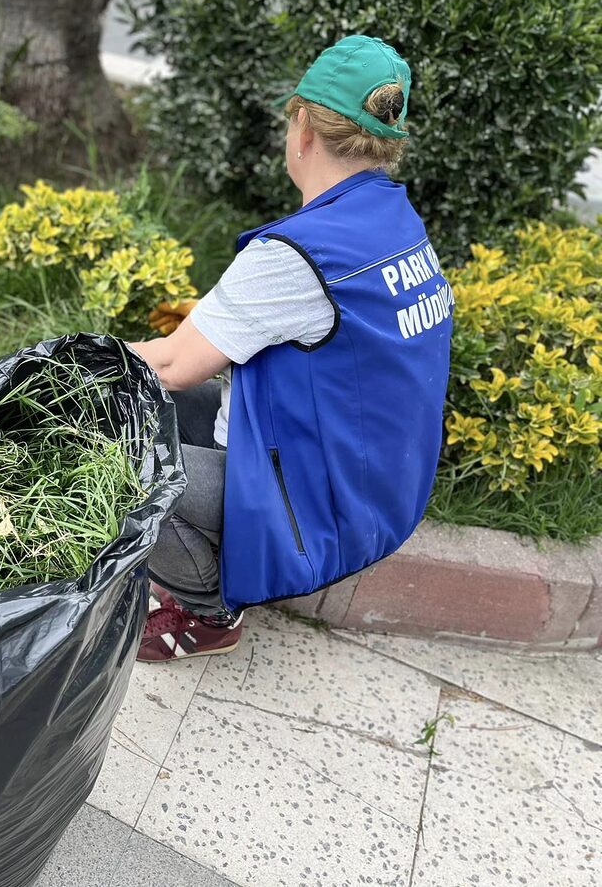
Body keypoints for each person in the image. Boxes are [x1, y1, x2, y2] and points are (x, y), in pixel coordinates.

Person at [130, 35, 452, 663]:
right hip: (369, 487)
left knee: (107, 458)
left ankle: (207, 612)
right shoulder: (395, 222)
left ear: (302, 126)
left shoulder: (297, 255)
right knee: (172, 399)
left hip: (315, 505)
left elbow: (170, 362)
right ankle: (227, 556)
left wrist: (53, 367)